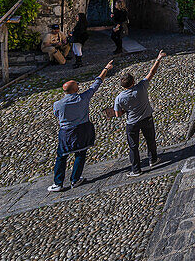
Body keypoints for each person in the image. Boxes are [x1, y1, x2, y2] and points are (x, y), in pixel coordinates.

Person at [49, 60, 115, 192]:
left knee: (61, 157)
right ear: (75, 89)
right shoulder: (83, 98)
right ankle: (75, 179)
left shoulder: (58, 104)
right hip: (82, 129)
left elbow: (57, 115)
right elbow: (97, 84)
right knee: (80, 154)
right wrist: (106, 69)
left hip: (66, 132)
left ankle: (58, 183)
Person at [108, 50, 167, 177]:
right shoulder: (141, 87)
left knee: (133, 147)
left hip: (132, 122)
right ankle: (153, 159)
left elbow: (118, 114)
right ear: (133, 82)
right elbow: (152, 72)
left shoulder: (119, 98)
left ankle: (136, 170)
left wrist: (125, 110)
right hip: (147, 118)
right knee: (150, 139)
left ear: (122, 86)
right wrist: (158, 59)